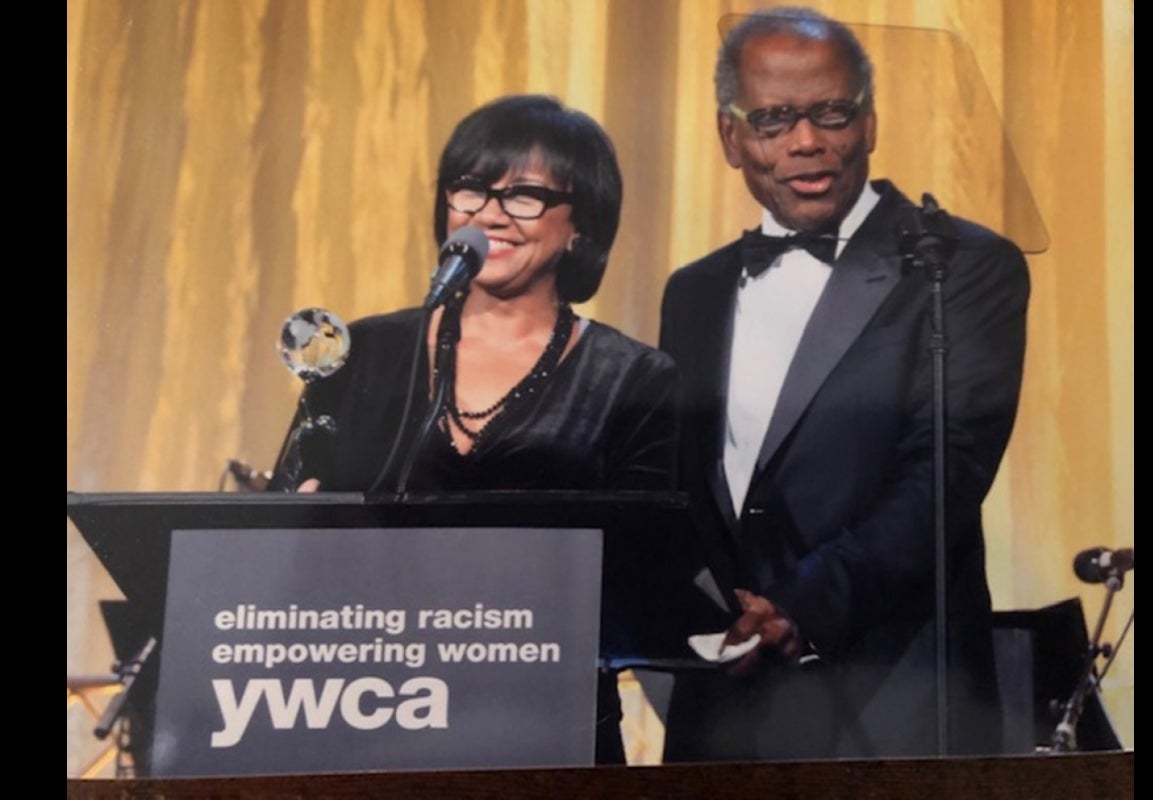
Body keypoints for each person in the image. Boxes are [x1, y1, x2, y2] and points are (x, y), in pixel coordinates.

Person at [659, 8, 1030, 760]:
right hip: (728, 708)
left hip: (895, 696)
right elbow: (686, 492)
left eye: (831, 113)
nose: (806, 142)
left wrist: (799, 608)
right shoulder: (690, 292)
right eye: (773, 119)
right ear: (731, 138)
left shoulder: (958, 264)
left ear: (869, 123)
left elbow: (942, 475)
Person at [270, 94, 680, 764]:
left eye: (523, 195)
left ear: (581, 225)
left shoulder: (634, 378)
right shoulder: (363, 352)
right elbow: (281, 528)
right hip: (360, 710)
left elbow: (645, 571)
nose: (489, 213)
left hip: (543, 722)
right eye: (470, 189)